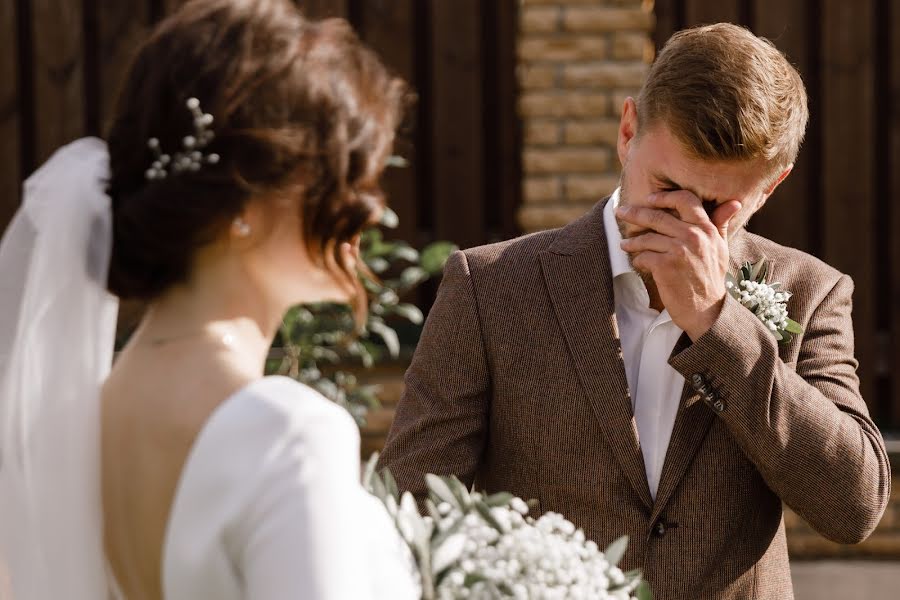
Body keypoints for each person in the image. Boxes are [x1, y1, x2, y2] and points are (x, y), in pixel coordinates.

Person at [379, 23, 891, 599]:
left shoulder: (810, 291)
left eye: (717, 206)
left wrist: (718, 322)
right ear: (628, 133)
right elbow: (408, 506)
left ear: (771, 187)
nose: (683, 220)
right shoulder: (489, 287)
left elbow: (853, 508)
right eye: (667, 186)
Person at [0, 1, 419, 598]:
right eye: (345, 177)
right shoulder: (290, 435)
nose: (370, 209)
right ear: (243, 205)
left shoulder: (74, 432)